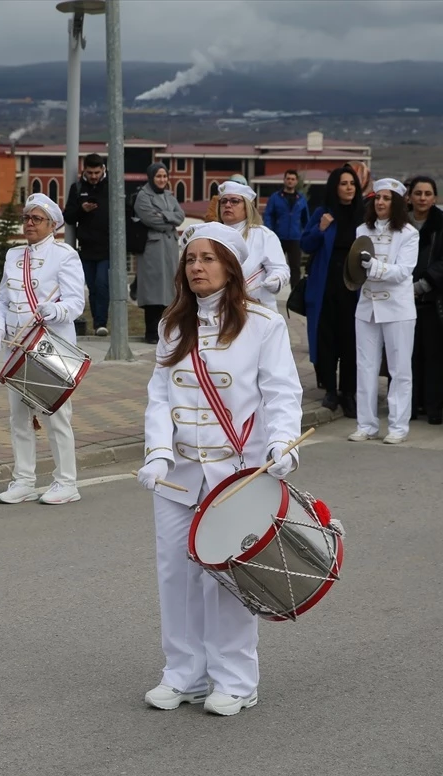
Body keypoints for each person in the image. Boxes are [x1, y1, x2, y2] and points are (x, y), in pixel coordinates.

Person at [137, 222, 302, 717]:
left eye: (207, 258)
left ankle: (234, 679)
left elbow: (281, 392)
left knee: (227, 578)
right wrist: (156, 452)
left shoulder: (263, 324)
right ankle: (183, 673)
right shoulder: (173, 324)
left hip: (236, 474)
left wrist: (281, 444)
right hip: (178, 475)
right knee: (175, 575)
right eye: (190, 259)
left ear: (231, 267)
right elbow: (160, 396)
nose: (197, 267)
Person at [0, 193, 86, 505]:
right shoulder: (13, 255)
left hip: (49, 346)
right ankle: (24, 480)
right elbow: (3, 299)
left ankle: (66, 482)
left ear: (53, 225)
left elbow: (76, 303)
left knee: (55, 416)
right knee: (18, 417)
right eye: (27, 218)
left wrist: (55, 311)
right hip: (17, 346)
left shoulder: (65, 255)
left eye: (36, 219)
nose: (29, 223)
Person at [347, 177, 419, 444]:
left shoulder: (409, 234)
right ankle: (366, 424)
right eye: (377, 197)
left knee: (399, 370)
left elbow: (403, 272)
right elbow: (355, 270)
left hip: (397, 307)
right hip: (367, 305)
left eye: (387, 198)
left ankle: (398, 426)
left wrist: (373, 266)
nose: (380, 202)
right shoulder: (361, 231)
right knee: (364, 367)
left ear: (397, 202)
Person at [302, 165, 364, 418]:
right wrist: (321, 229)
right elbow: (306, 243)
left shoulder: (364, 215)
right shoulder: (323, 212)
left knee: (351, 339)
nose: (349, 187)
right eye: (343, 183)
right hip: (326, 284)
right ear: (335, 187)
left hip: (354, 287)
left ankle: (348, 392)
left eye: (352, 184)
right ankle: (330, 389)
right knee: (326, 338)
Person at [407, 176, 443, 425]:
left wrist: (424, 284)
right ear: (410, 196)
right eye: (418, 193)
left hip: (433, 300)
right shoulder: (400, 222)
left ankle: (434, 408)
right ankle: (411, 405)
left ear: (434, 197)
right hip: (402, 301)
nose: (423, 198)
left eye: (427, 193)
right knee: (409, 356)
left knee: (434, 357)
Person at [216, 180, 290, 311]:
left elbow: (280, 268)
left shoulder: (264, 235)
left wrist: (276, 279)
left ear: (247, 207)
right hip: (220, 308)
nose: (228, 205)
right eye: (224, 201)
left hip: (256, 308)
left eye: (234, 201)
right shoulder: (211, 234)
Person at [134, 163, 185, 344]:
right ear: (151, 177)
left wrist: (164, 215)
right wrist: (169, 218)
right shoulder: (143, 196)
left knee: (169, 290)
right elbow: (150, 219)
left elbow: (180, 216)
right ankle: (151, 333)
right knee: (154, 290)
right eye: (158, 176)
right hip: (152, 248)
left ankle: (167, 332)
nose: (162, 180)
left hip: (169, 247)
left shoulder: (170, 196)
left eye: (164, 176)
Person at [63, 153, 111, 336]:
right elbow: (68, 216)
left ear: (103, 170)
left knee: (102, 284)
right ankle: (96, 322)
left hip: (106, 248)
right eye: (90, 172)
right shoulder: (77, 188)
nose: (93, 176)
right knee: (91, 285)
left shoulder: (110, 187)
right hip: (86, 246)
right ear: (84, 170)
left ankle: (101, 323)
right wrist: (82, 210)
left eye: (97, 172)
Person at [262, 169, 311, 288]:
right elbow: (268, 214)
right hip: (278, 237)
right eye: (288, 179)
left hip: (295, 238)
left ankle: (295, 294)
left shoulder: (301, 199)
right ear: (284, 180)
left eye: (293, 179)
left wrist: (306, 234)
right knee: (272, 264)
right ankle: (268, 286)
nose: (290, 181)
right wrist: (270, 231)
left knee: (295, 267)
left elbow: (306, 218)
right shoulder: (275, 197)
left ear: (296, 181)